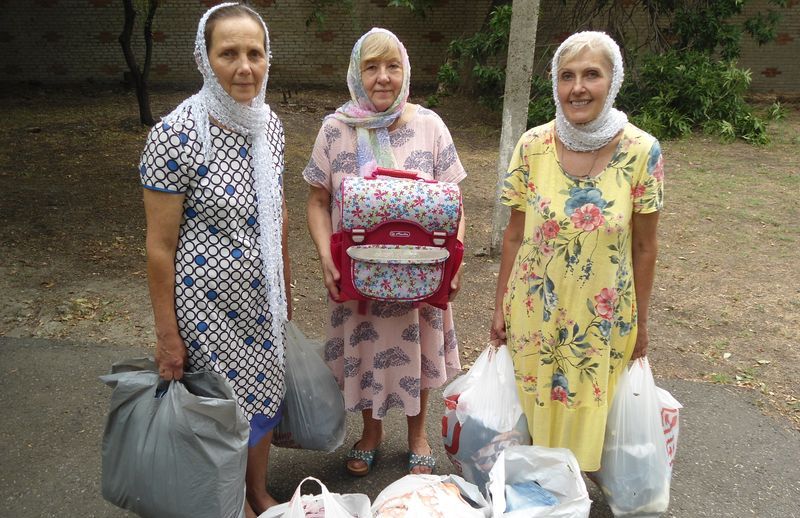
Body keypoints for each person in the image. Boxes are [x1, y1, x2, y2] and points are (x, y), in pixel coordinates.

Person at [139, 3, 290, 516]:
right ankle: (228, 503)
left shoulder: (269, 126)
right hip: (204, 313)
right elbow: (159, 246)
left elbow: (277, 214)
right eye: (229, 54)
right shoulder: (176, 134)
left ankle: (257, 491)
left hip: (262, 305)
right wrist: (167, 337)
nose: (245, 67)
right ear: (205, 59)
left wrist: (285, 291)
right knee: (220, 413)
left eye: (255, 53)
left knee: (263, 397)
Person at [490, 31, 664, 473]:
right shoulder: (532, 146)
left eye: (592, 75)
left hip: (602, 321)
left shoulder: (642, 152)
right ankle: (540, 487)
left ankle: (572, 487)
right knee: (530, 415)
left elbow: (644, 246)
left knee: (589, 416)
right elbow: (514, 235)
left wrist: (641, 323)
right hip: (534, 313)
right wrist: (500, 306)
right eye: (566, 76)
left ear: (613, 81)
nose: (578, 88)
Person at [304, 28, 467, 477]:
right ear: (356, 74)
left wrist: (453, 261)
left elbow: (455, 202)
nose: (382, 77)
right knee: (365, 349)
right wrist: (326, 258)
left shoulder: (430, 125)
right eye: (371, 67)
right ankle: (371, 433)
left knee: (417, 348)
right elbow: (317, 201)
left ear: (405, 71)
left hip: (421, 270)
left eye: (392, 66)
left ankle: (418, 435)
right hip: (359, 271)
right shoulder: (335, 129)